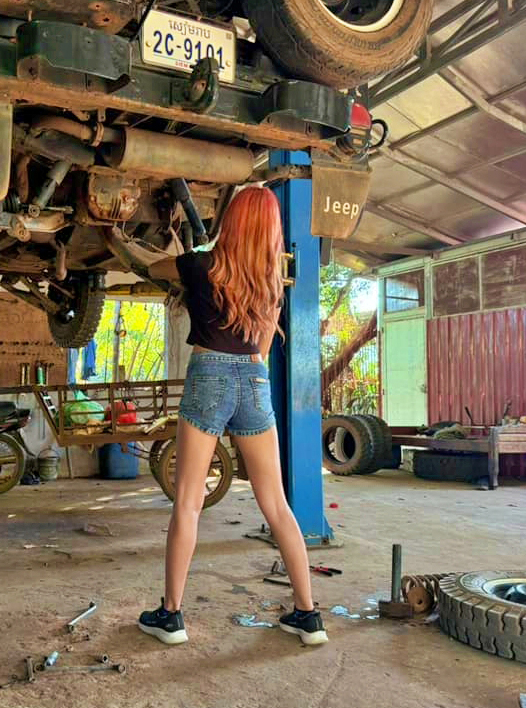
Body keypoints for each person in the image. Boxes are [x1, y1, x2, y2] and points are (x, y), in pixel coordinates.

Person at [137, 187, 327, 647]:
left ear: (232, 220)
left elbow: (150, 266)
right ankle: (308, 616)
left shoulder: (201, 266)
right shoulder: (270, 279)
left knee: (188, 502)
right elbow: (261, 346)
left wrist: (192, 250)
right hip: (255, 380)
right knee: (277, 504)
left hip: (210, 376)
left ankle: (171, 616)